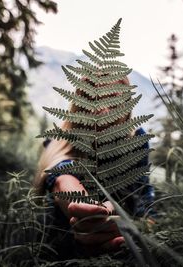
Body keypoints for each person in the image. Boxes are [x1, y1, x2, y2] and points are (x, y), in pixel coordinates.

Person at [34, 77, 155, 258]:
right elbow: (62, 178)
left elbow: (143, 191)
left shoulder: (136, 141)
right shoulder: (58, 143)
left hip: (126, 246)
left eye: (112, 101)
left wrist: (148, 226)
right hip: (61, 252)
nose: (103, 111)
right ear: (79, 106)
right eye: (93, 100)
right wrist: (88, 211)